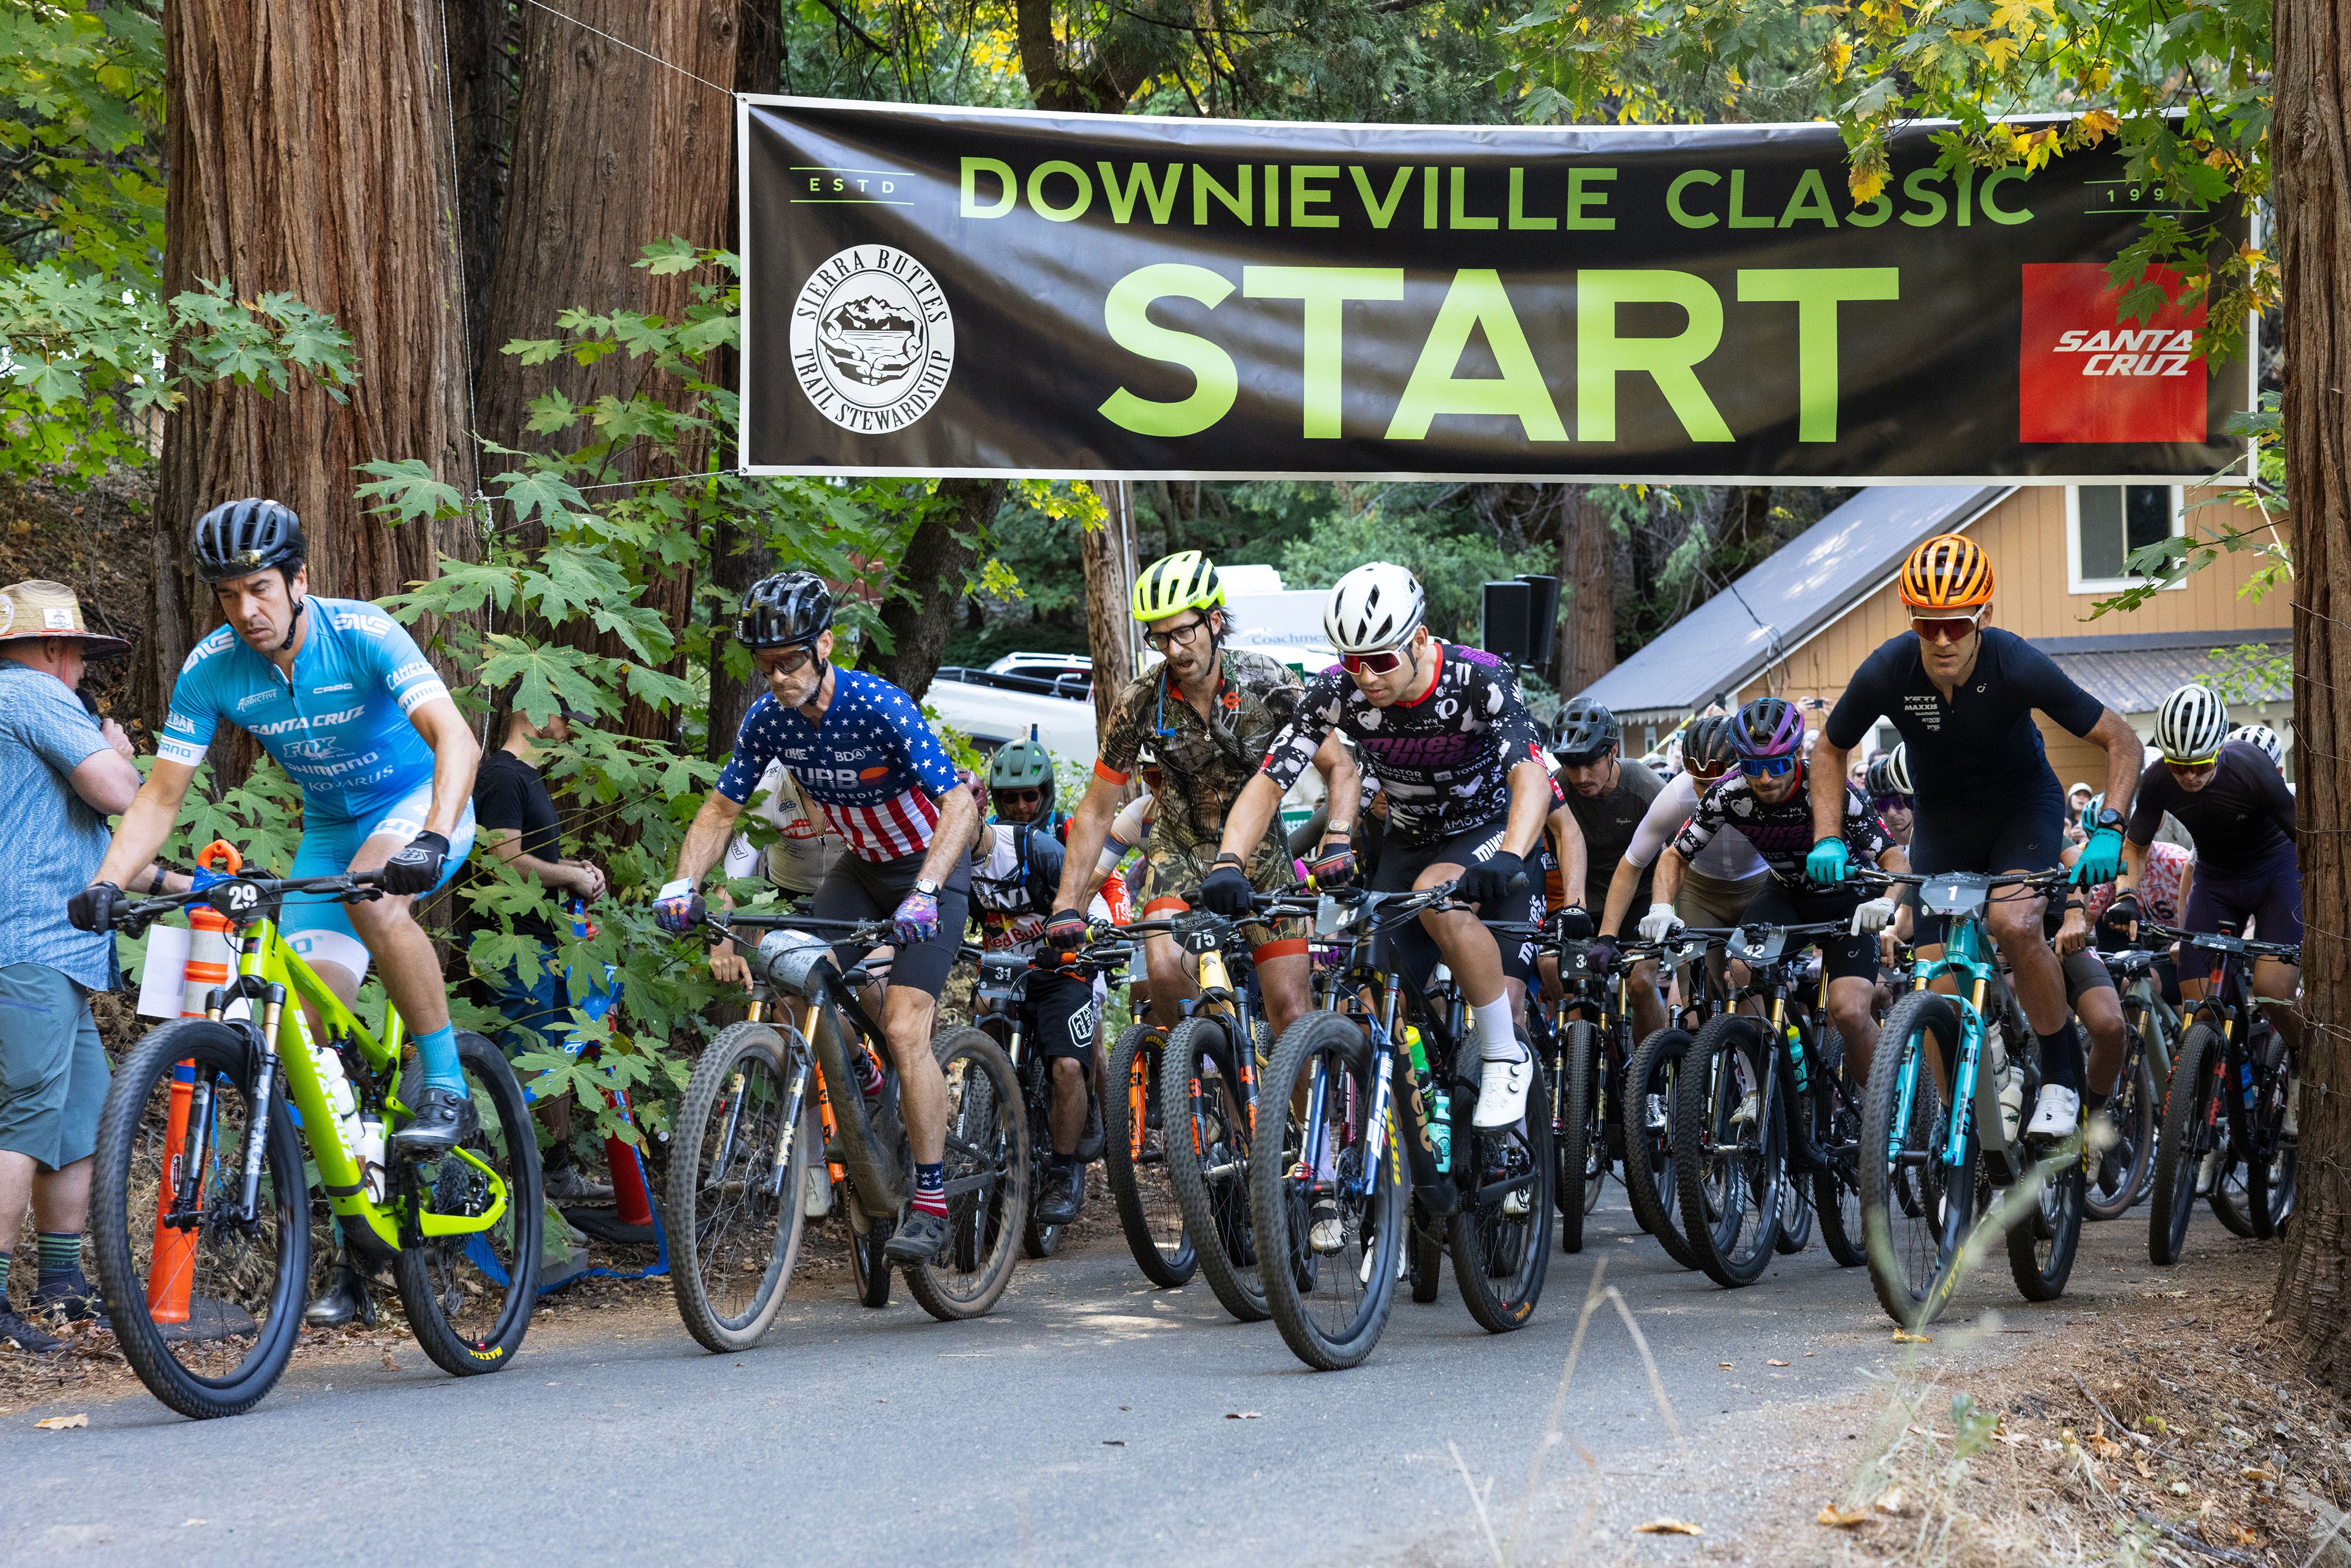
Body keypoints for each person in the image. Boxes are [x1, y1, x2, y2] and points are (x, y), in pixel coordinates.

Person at [75, 501, 484, 1154]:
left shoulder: (362, 632)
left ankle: (447, 1085)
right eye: (228, 594)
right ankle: (363, 1171)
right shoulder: (211, 668)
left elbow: (456, 739)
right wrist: (107, 881)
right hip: (330, 824)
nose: (245, 611)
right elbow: (158, 798)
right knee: (306, 1021)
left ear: (298, 581)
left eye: (260, 588)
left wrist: (432, 835)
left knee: (371, 900)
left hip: (417, 799)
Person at [655, 572, 980, 1264]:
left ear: (825, 644)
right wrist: (683, 881)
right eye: (765, 665)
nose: (777, 677)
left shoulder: (878, 706)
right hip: (861, 870)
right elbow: (721, 811)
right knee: (790, 968)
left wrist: (925, 888)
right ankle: (861, 1073)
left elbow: (959, 805)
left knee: (904, 1025)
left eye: (791, 661)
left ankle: (928, 1198)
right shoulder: (768, 719)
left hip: (931, 869)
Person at [1810, 532, 2145, 1137]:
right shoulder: (1889, 668)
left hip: (2022, 810)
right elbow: (1829, 749)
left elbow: (2121, 739)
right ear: (1911, 616)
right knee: (1932, 973)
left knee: (2014, 923)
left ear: (1983, 616)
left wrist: (2110, 828)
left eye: (1958, 625)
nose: (1942, 640)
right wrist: (1827, 836)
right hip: (1943, 823)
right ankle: (1956, 1121)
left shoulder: (2013, 662)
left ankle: (2061, 1077)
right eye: (1928, 623)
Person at [1212, 561, 1561, 1137]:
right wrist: (1229, 859)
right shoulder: (1335, 690)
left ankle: (1505, 1053)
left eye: (1379, 660)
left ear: (1419, 639)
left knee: (1434, 895)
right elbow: (1272, 778)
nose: (1365, 676)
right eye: (1352, 661)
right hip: (1408, 838)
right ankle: (1417, 1141)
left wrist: (1511, 854)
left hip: (1490, 829)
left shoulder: (1479, 678)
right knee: (1377, 998)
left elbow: (1527, 775)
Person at [1047, 551, 1358, 1051]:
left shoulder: (1268, 680)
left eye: (1184, 632)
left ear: (1215, 621)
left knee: (1291, 1012)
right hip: (1181, 850)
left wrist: (1337, 838)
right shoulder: (1139, 701)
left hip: (1261, 855)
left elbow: (1339, 766)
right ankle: (1196, 1082)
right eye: (1159, 637)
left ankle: (1292, 1123)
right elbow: (1096, 808)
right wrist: (1067, 904)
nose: (1173, 649)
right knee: (1165, 968)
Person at [0, 582, 185, 1352]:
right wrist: (116, 752)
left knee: (80, 1118)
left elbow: (102, 849)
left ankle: (63, 1289)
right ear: (53, 649)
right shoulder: (32, 693)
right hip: (27, 944)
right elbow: (116, 793)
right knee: (24, 1116)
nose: (81, 668)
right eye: (78, 653)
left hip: (56, 953)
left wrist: (185, 883)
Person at [1643, 698, 1910, 1087]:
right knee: (1740, 970)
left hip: (1850, 900)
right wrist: (1662, 907)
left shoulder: (1832, 790)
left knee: (1850, 1012)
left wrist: (1886, 902)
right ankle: (1768, 1080)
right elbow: (1676, 856)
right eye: (1752, 767)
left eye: (1776, 765)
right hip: (1787, 894)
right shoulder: (1729, 793)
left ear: (1798, 754)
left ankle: (1881, 1109)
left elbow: (1894, 859)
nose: (1764, 780)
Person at [463, 703, 611, 1203]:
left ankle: (557, 1175)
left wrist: (575, 868)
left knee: (555, 1056)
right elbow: (503, 860)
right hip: (510, 944)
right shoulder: (503, 776)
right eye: (566, 720)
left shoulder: (528, 777)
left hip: (542, 942)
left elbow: (536, 859)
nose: (570, 732)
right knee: (527, 1058)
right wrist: (569, 875)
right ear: (532, 709)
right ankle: (518, 1190)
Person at [2114, 684, 2300, 1060]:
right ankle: (2215, 1081)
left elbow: (2304, 837)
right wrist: (2125, 896)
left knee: (2270, 990)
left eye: (2200, 765)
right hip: (2216, 881)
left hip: (2274, 872)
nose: (2188, 776)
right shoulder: (2157, 780)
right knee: (2197, 1006)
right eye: (2178, 766)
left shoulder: (2249, 766)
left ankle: (2306, 1057)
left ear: (2219, 749)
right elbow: (2136, 845)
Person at [972, 733, 1104, 1226]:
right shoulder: (973, 849)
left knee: (1070, 1067)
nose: (1021, 806)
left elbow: (1090, 897)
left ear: (1045, 794)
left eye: (1030, 796)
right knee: (978, 1045)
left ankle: (1065, 1169)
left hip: (1061, 972)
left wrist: (1081, 935)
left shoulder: (1052, 847)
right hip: (1002, 974)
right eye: (1010, 798)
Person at [1555, 696, 1666, 1041]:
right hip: (1586, 901)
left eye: (1591, 763)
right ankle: (1582, 1068)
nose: (1582, 777)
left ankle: (1650, 1071)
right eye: (1573, 766)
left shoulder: (1644, 785)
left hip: (1641, 898)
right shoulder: (1560, 784)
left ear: (1612, 752)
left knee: (1641, 982)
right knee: (1573, 986)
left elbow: (1683, 850)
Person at [1600, 715, 1766, 943]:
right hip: (1701, 893)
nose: (1710, 795)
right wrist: (1606, 936)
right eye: (1700, 784)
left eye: (1716, 784)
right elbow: (1633, 862)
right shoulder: (1678, 794)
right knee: (1694, 975)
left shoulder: (1763, 789)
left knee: (1750, 969)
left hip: (1759, 885)